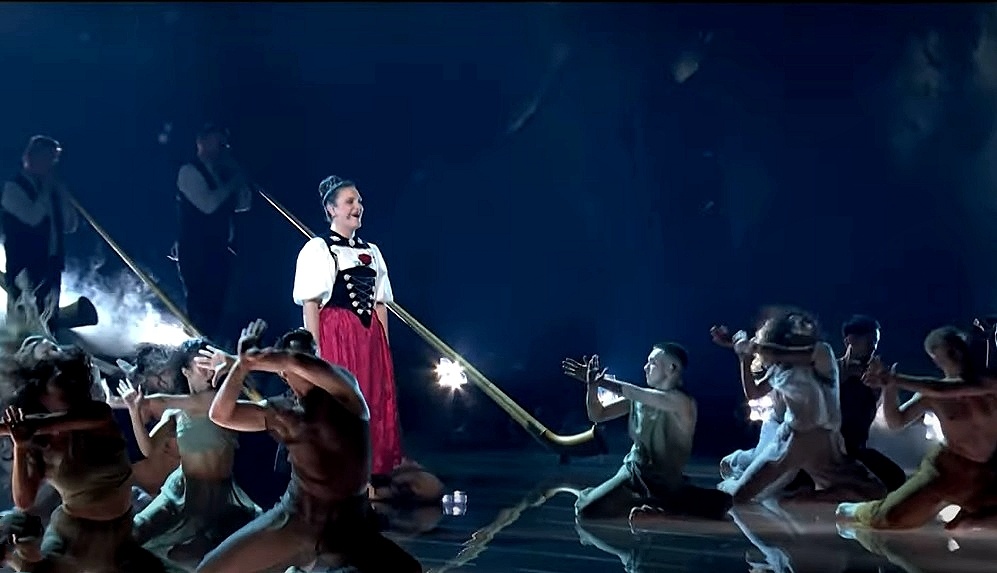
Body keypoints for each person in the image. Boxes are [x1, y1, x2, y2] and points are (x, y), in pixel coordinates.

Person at [199, 320, 422, 572]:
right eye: (297, 355)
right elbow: (220, 415)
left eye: (311, 354)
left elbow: (295, 362)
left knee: (408, 570)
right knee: (209, 570)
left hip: (348, 523)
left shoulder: (345, 393)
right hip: (297, 518)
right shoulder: (282, 412)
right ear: (282, 375)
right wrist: (241, 367)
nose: (307, 362)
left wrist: (255, 360)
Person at [0, 337, 180, 572]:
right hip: (74, 537)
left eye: (68, 379)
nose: (67, 385)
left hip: (121, 533)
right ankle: (12, 556)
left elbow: (46, 423)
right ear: (41, 392)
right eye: (57, 380)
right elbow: (24, 501)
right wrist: (21, 446)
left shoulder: (97, 416)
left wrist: (22, 428)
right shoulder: (38, 444)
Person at [712, 309, 886, 505]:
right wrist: (743, 358)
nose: (803, 327)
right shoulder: (778, 366)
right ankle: (733, 467)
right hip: (792, 441)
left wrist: (749, 347)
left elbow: (788, 354)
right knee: (739, 496)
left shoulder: (822, 352)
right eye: (795, 326)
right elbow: (754, 392)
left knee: (876, 490)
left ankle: (809, 496)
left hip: (825, 443)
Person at [112, 338, 261, 562]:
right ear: (186, 371)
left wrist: (233, 363)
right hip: (181, 491)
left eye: (211, 365)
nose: (210, 372)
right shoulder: (176, 413)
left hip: (220, 497)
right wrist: (134, 412)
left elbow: (165, 401)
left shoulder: (219, 401)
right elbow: (149, 450)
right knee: (133, 533)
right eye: (202, 367)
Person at [292, 175, 402, 478]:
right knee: (341, 401)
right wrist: (314, 351)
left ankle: (369, 473)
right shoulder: (320, 248)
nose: (358, 206)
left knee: (371, 397)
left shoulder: (373, 251)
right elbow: (311, 303)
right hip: (338, 334)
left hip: (369, 337)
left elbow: (380, 304)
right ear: (331, 209)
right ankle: (340, 473)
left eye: (359, 201)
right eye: (350, 201)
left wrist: (384, 348)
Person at [837, 326, 997, 530]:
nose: (958, 355)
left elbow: (942, 389)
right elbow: (895, 422)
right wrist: (889, 389)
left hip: (987, 472)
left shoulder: (990, 384)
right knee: (889, 518)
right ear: (936, 359)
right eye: (950, 352)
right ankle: (855, 510)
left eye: (960, 348)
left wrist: (894, 379)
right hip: (948, 469)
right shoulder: (929, 396)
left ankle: (969, 513)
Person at [563, 343, 733, 521]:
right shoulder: (639, 398)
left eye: (652, 363)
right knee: (586, 508)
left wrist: (600, 380)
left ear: (671, 368)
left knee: (684, 499)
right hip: (634, 471)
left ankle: (666, 503)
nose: (645, 367)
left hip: (666, 480)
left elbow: (636, 393)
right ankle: (661, 504)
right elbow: (598, 414)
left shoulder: (682, 402)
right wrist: (592, 387)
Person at [174, 124, 252, 341]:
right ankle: (195, 346)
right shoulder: (189, 171)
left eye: (223, 142)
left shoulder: (221, 174)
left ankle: (210, 344)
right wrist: (233, 183)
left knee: (217, 304)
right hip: (196, 249)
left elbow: (243, 205)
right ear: (202, 141)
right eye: (218, 141)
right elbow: (208, 205)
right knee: (200, 303)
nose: (222, 147)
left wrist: (239, 179)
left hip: (219, 249)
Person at [0, 135, 78, 328]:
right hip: (24, 266)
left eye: (53, 160)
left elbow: (70, 225)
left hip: (51, 263)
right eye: (46, 158)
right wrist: (47, 191)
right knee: (24, 318)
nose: (50, 165)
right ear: (30, 158)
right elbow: (32, 217)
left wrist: (64, 198)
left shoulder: (52, 192)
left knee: (48, 318)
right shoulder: (13, 188)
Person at [836, 315, 906, 492]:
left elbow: (890, 413)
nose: (873, 347)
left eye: (876, 342)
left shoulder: (875, 376)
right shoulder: (832, 370)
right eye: (869, 341)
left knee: (896, 479)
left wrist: (887, 385)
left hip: (857, 448)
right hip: (830, 446)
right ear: (850, 340)